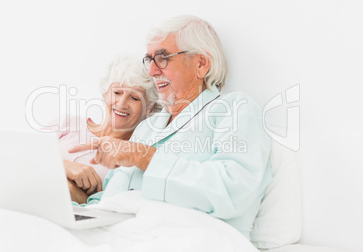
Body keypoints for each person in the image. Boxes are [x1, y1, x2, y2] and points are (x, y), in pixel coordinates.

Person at [69, 15, 272, 240]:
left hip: (182, 236)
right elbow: (106, 199)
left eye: (163, 58)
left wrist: (143, 156)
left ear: (201, 64)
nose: (152, 71)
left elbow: (232, 191)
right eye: (149, 59)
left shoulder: (234, 109)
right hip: (114, 231)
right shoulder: (147, 128)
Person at [56, 54, 160, 204]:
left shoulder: (132, 158)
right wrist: (64, 167)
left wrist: (71, 189)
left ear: (149, 107)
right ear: (105, 93)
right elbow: (18, 155)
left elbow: (103, 205)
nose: (122, 103)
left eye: (135, 98)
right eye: (117, 92)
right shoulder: (66, 123)